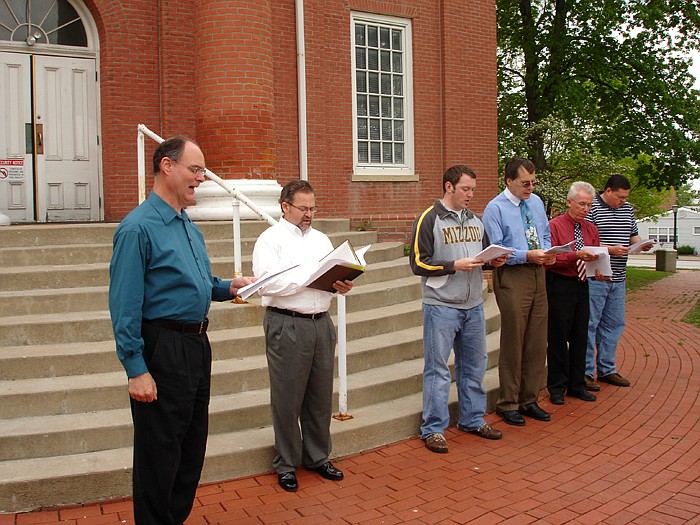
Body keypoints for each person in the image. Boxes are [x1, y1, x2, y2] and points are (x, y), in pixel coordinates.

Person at [109, 135, 255, 524]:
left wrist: (229, 287)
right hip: (162, 348)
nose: (202, 178)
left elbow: (201, 283)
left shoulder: (187, 225)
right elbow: (124, 306)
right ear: (166, 166)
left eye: (203, 171)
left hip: (196, 346)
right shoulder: (137, 229)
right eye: (195, 169)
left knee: (190, 451)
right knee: (159, 455)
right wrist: (136, 368)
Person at [252, 180, 353, 493]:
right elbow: (266, 284)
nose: (310, 213)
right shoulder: (269, 240)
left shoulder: (321, 239)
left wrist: (341, 283)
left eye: (313, 207)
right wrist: (308, 280)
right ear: (285, 207)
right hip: (287, 323)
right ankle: (285, 463)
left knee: (320, 396)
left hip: (321, 322)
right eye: (303, 208)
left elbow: (326, 277)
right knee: (287, 398)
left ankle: (318, 456)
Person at [409, 165, 507, 454]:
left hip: (473, 304)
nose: (470, 194)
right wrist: (453, 266)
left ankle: (472, 419)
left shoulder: (476, 221)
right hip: (440, 306)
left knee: (475, 365)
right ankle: (434, 428)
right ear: (449, 187)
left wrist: (494, 262)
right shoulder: (429, 219)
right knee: (438, 369)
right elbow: (418, 263)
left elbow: (485, 255)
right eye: (466, 189)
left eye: (473, 189)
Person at [482, 157, 556, 426]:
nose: (530, 188)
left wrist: (547, 252)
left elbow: (545, 233)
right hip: (513, 275)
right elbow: (498, 249)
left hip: (538, 272)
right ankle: (508, 402)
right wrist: (527, 254)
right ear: (508, 181)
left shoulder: (535, 203)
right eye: (525, 183)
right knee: (514, 340)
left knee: (537, 340)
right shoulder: (495, 209)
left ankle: (529, 398)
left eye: (533, 183)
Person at [584, 174, 649, 390]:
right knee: (590, 324)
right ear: (608, 191)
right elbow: (587, 241)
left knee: (614, 324)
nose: (623, 201)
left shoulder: (627, 209)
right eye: (620, 197)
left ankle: (607, 369)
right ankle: (585, 372)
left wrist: (641, 245)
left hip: (619, 277)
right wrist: (610, 249)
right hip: (597, 276)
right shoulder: (592, 207)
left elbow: (633, 235)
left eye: (625, 198)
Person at [545, 181, 601, 405]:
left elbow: (595, 256)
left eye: (588, 205)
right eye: (581, 204)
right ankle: (557, 386)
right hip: (560, 284)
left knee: (581, 336)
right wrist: (575, 256)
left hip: (582, 284)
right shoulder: (554, 226)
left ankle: (577, 384)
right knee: (558, 337)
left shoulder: (591, 229)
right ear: (569, 202)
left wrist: (599, 272)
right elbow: (550, 259)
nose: (585, 209)